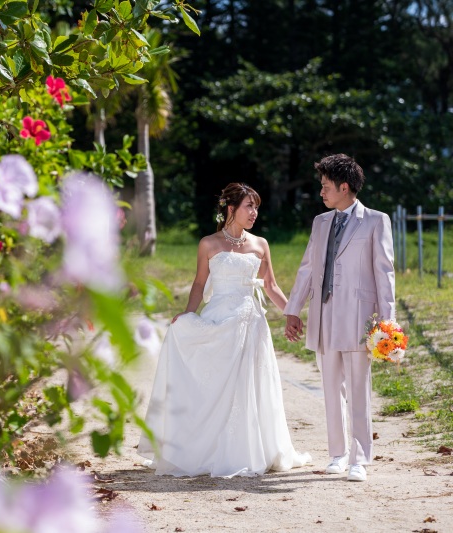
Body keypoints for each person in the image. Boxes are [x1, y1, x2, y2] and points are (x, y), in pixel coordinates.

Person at [138, 183, 311, 478]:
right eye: (249, 206)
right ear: (231, 208)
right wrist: (189, 314)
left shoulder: (261, 244)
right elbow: (198, 283)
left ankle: (251, 449)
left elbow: (270, 285)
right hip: (219, 319)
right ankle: (207, 448)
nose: (255, 213)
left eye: (256, 207)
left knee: (250, 384)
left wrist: (291, 312)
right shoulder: (209, 243)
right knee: (214, 384)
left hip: (251, 323)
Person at [284, 154, 395, 483]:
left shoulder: (376, 221)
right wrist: (293, 308)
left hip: (360, 317)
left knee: (359, 389)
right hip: (323, 315)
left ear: (344, 187)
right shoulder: (320, 223)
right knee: (331, 388)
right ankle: (337, 454)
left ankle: (359, 458)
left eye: (326, 186)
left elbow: (385, 273)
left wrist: (387, 324)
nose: (322, 192)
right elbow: (307, 267)